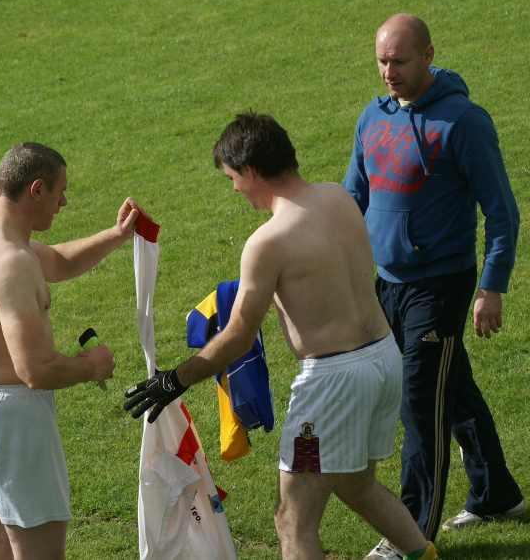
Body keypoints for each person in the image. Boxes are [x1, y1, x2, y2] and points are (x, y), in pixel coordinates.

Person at [124, 111, 440, 560]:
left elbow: (238, 337)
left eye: (233, 177)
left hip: (331, 388)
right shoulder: (338, 197)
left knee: (292, 520)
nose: (234, 188)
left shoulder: (267, 242)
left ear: (251, 170)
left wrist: (174, 380)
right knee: (357, 483)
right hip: (384, 361)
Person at [342, 13, 524, 559]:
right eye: (381, 61)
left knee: (420, 404)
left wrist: (491, 286)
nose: (388, 72)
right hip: (387, 283)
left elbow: (502, 211)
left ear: (427, 55)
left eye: (399, 61)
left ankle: (409, 536)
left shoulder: (463, 122)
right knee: (452, 385)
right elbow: (353, 197)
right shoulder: (372, 116)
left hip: (440, 284)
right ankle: (496, 494)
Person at [0, 142, 140, 560]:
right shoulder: (9, 262)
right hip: (9, 420)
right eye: (60, 191)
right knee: (40, 552)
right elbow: (34, 369)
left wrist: (117, 235)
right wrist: (92, 366)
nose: (64, 202)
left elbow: (58, 262)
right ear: (37, 189)